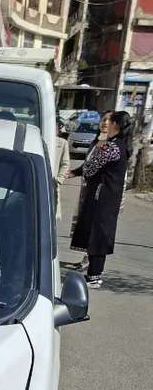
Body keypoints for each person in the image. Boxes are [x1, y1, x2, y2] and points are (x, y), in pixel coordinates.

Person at [69, 110, 132, 288]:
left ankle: (94, 276)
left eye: (109, 120)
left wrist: (96, 153)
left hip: (102, 197)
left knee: (97, 235)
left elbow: (90, 169)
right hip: (108, 197)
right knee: (99, 234)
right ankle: (94, 274)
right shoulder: (119, 144)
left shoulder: (111, 147)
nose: (106, 123)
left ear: (115, 125)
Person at [53, 120, 71, 219]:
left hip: (54, 182)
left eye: (55, 127)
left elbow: (65, 163)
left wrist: (59, 179)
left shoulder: (62, 143)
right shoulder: (39, 140)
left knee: (53, 211)